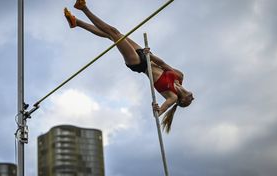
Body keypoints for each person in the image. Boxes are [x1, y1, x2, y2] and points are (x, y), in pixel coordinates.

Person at [64, 0, 194, 132]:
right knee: (112, 35)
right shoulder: (180, 76)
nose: (192, 97)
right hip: (147, 55)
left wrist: (156, 109)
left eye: (190, 101)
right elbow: (163, 64)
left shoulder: (172, 97)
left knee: (114, 33)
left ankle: (84, 8)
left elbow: (159, 113)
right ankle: (77, 23)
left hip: (139, 64)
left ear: (182, 102)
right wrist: (150, 54)